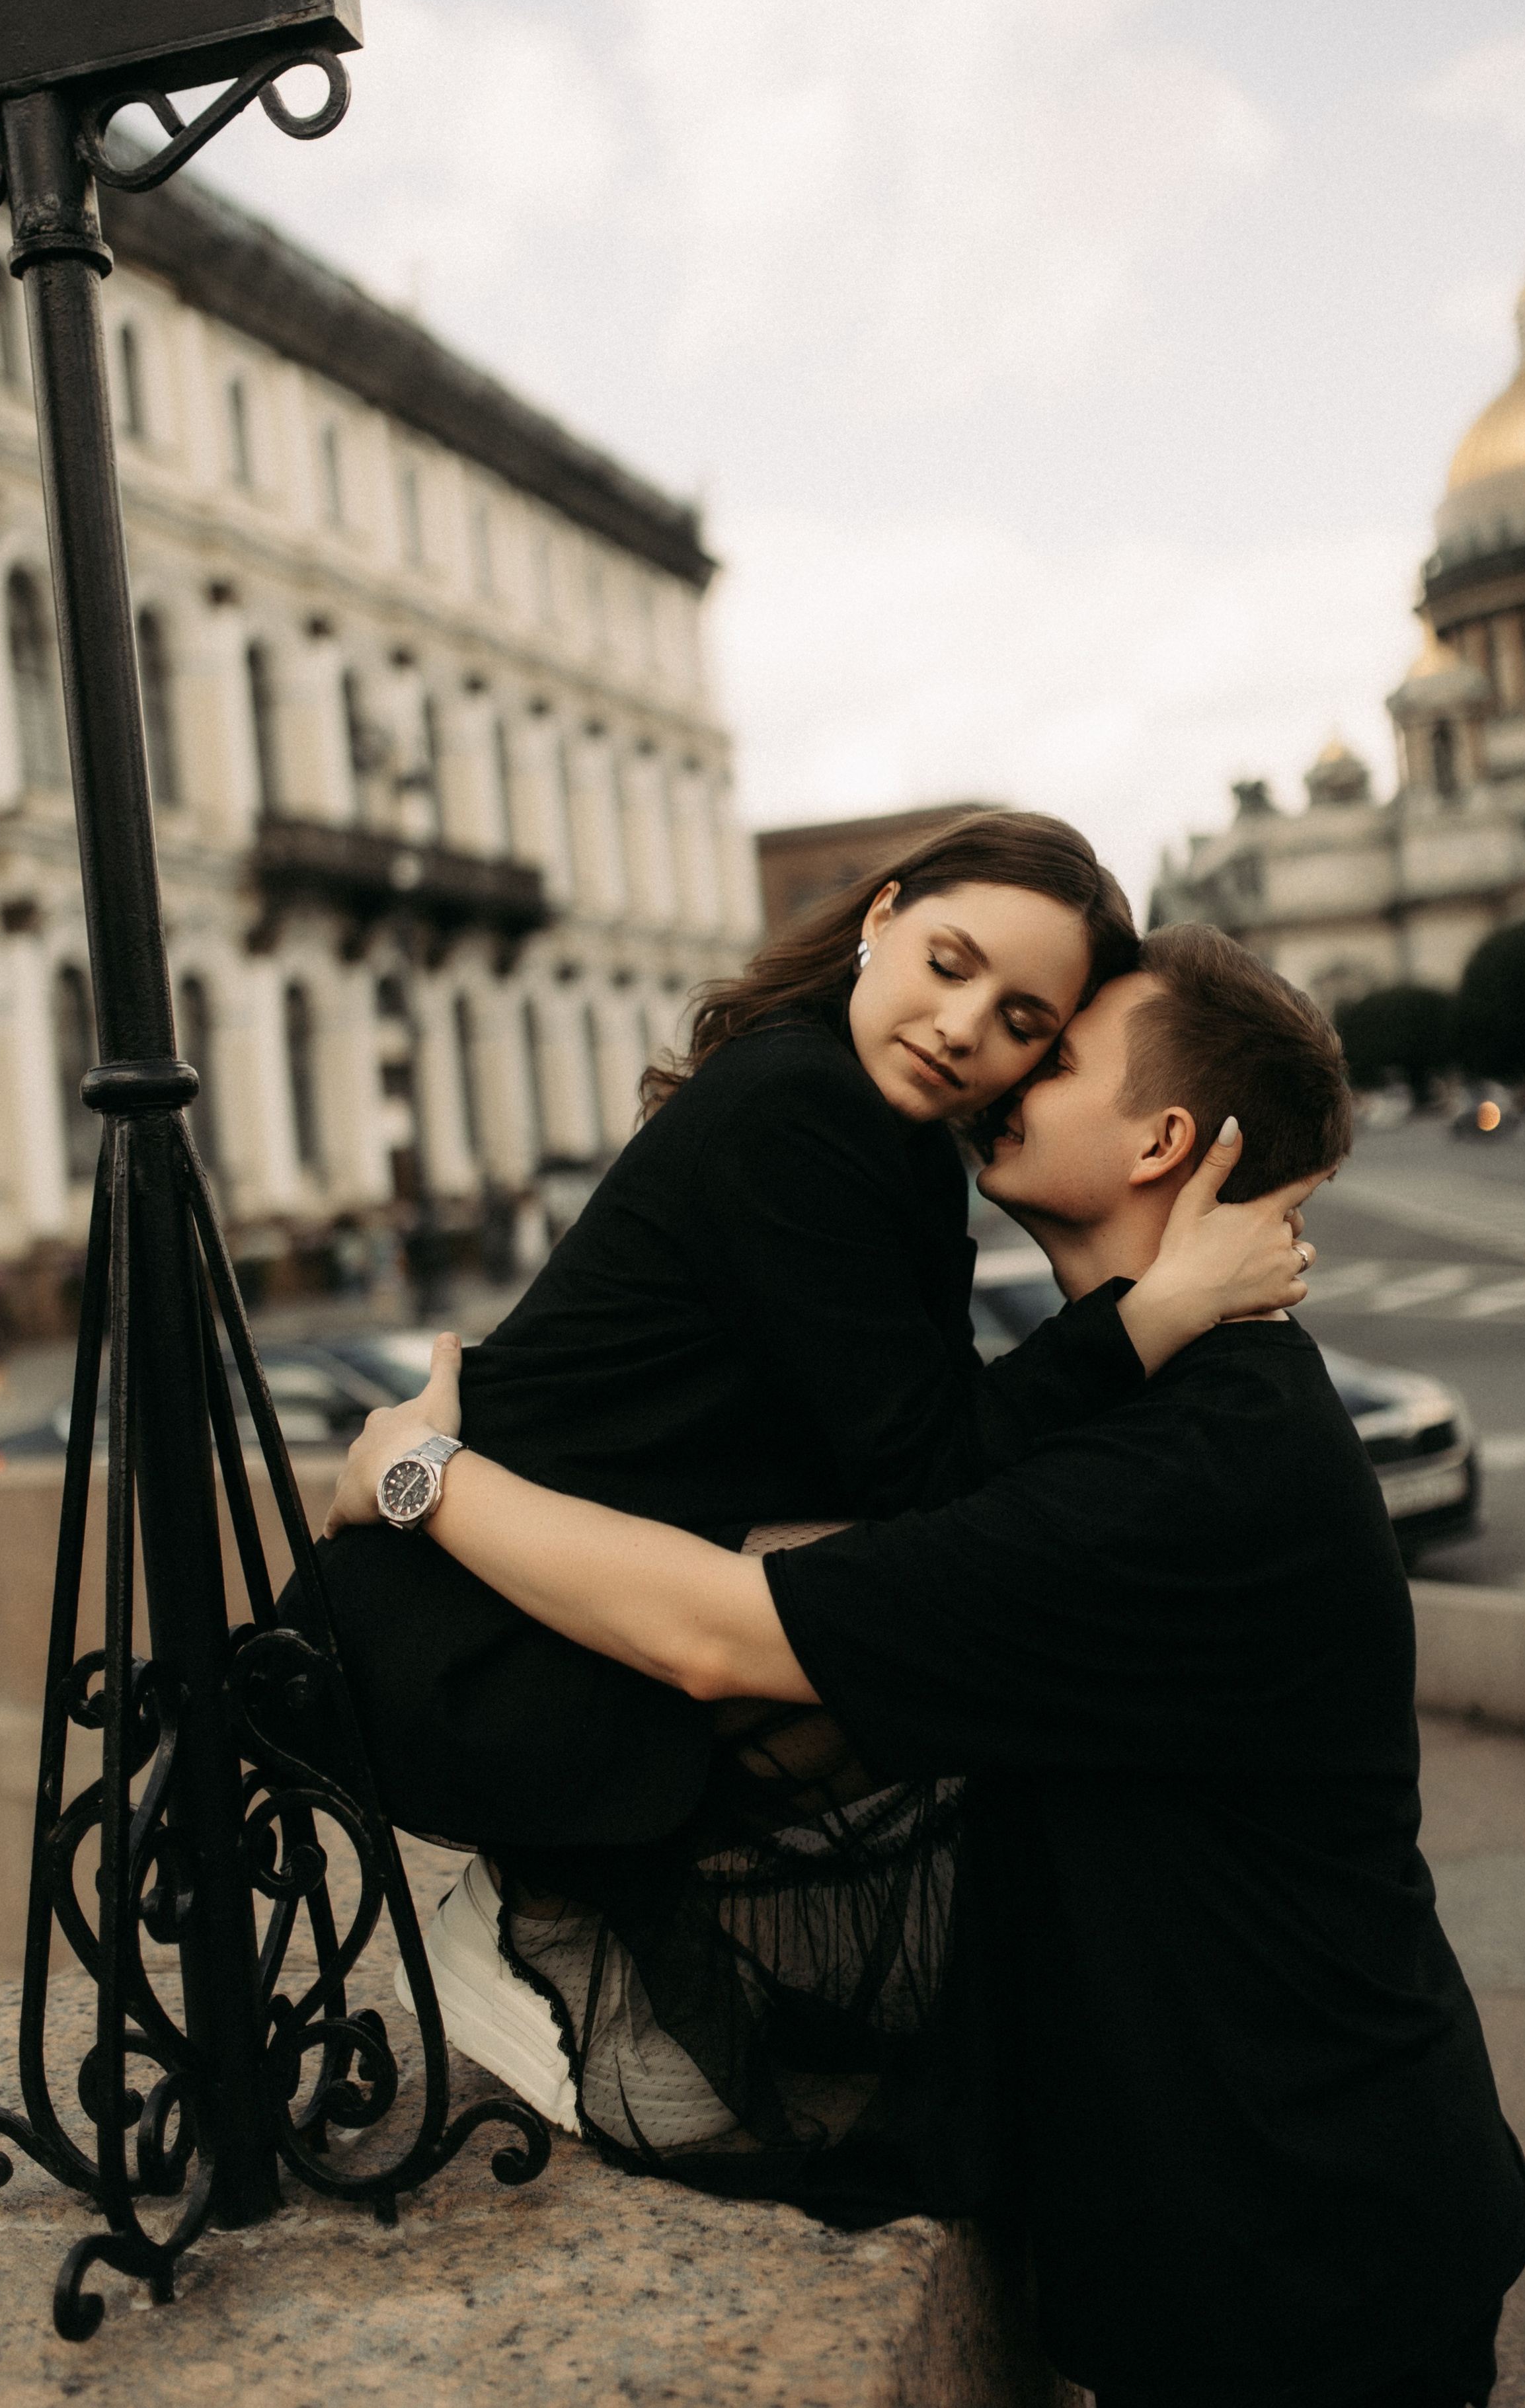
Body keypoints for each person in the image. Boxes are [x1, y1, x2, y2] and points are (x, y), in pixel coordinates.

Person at [324, 924, 1525, 2408]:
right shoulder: (1165, 1398)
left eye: (1055, 1050)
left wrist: (422, 1473)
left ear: (1161, 1139)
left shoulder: (1200, 1468)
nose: (1000, 1068)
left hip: (1307, 2251)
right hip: (1250, 2208)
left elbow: (723, 1633)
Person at [286, 813, 1313, 2119]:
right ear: (881, 917)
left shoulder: (882, 1136)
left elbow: (923, 1441)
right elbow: (932, 1473)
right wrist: (1149, 1313)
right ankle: (536, 1905)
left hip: (521, 1610)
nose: (964, 1029)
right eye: (949, 963)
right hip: (468, 1644)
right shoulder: (800, 1101)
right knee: (936, 1614)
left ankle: (566, 1901)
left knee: (926, 1602)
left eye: (1022, 1023)